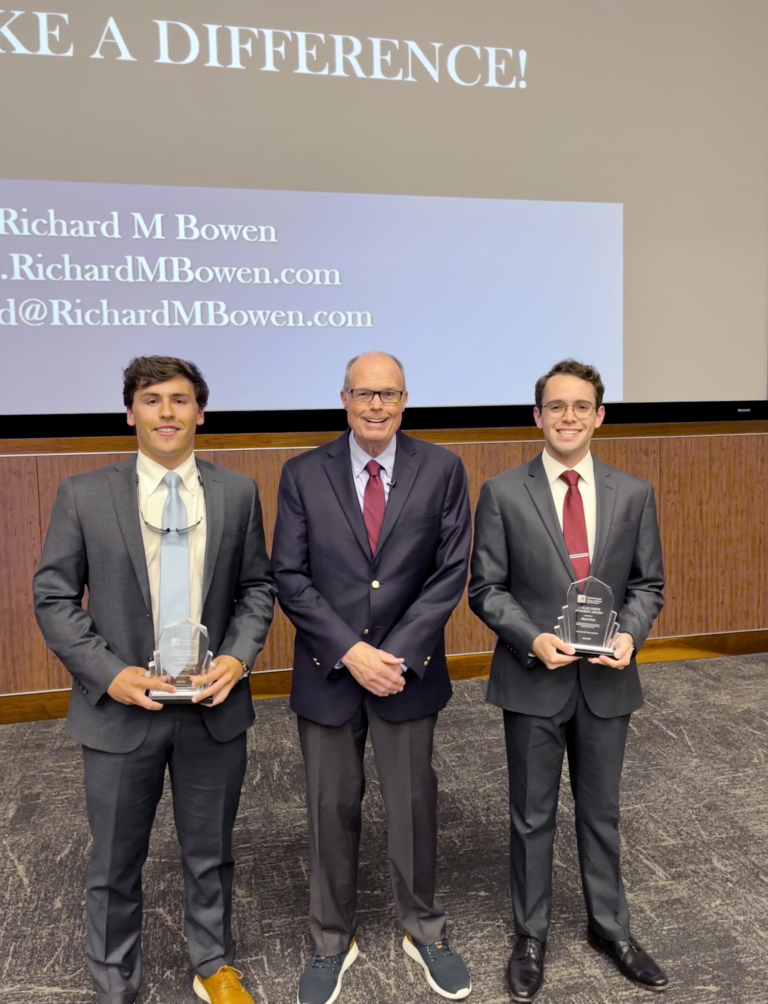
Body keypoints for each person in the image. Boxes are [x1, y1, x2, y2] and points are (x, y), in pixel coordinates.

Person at [33, 356, 276, 1004]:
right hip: (120, 712)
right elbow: (54, 598)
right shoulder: (83, 494)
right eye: (151, 399)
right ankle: (114, 979)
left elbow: (257, 589)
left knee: (211, 851)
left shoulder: (237, 493)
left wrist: (238, 656)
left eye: (179, 400)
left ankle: (213, 963)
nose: (166, 412)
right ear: (130, 412)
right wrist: (110, 676)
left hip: (212, 707)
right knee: (115, 859)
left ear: (201, 412)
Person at [271, 351, 472, 1004]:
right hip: (329, 672)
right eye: (364, 395)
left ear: (406, 399)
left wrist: (398, 654)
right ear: (344, 399)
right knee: (331, 810)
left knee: (414, 806)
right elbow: (290, 577)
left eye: (388, 394)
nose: (377, 406)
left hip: (407, 674)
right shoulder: (303, 473)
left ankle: (423, 929)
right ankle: (332, 939)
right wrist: (350, 652)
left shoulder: (442, 469)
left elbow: (449, 573)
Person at [469, 359, 669, 1001]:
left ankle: (610, 929)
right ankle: (530, 935)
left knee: (602, 812)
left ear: (599, 415)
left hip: (608, 679)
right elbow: (487, 590)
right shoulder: (503, 492)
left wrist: (629, 635)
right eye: (556, 406)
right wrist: (532, 638)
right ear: (537, 416)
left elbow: (647, 585)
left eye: (581, 406)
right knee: (531, 816)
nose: (568, 417)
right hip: (534, 677)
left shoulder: (633, 492)